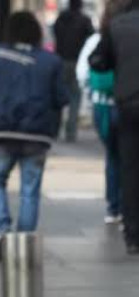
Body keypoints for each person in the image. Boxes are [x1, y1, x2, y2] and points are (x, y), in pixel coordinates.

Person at [0, 11, 68, 262]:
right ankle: (23, 242)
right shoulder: (51, 61)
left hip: (2, 131)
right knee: (30, 190)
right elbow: (61, 98)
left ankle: (3, 231)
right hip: (37, 135)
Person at [90, 0, 139, 255]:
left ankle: (133, 235)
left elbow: (97, 60)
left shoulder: (117, 25)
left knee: (129, 170)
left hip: (128, 104)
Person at [77, 0, 129, 226]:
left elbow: (82, 73)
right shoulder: (130, 34)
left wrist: (92, 93)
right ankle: (128, 207)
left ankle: (112, 207)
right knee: (130, 157)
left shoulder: (96, 40)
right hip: (127, 103)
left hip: (102, 106)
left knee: (112, 156)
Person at [53, 0, 94, 142]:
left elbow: (55, 34)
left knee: (57, 96)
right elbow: (92, 38)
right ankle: (71, 132)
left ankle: (55, 129)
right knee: (75, 98)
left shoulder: (61, 18)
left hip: (60, 60)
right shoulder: (84, 20)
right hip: (77, 61)